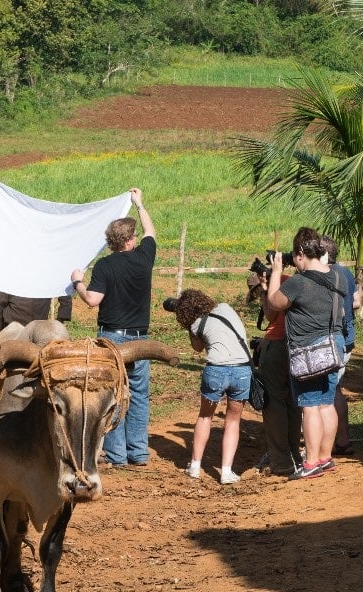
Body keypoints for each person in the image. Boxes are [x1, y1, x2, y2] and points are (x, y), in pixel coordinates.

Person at [70, 187, 156, 467]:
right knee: (140, 394)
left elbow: (93, 300)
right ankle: (139, 453)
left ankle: (117, 455)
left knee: (113, 394)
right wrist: (139, 204)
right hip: (140, 338)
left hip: (112, 339)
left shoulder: (105, 266)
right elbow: (151, 233)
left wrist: (77, 282)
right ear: (131, 240)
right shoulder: (145, 258)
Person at [266, 227, 346, 481]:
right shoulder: (337, 277)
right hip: (333, 346)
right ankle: (325, 457)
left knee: (310, 406)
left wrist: (277, 273)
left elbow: (274, 304)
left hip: (309, 350)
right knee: (326, 402)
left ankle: (310, 462)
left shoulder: (299, 282)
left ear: (300, 253)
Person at [171, 289, 252, 484]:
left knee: (205, 416)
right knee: (233, 421)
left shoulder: (196, 325)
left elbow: (198, 348)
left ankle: (195, 466)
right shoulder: (225, 307)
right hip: (242, 369)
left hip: (216, 370)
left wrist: (189, 326)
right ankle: (226, 471)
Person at [252, 271, 302, 476]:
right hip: (296, 344)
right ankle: (295, 455)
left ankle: (280, 460)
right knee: (293, 400)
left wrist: (265, 292)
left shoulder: (277, 283)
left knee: (274, 403)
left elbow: (272, 315)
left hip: (276, 343)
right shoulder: (294, 281)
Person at [321, 235, 361, 456]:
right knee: (336, 389)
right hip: (347, 340)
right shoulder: (345, 272)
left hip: (330, 340)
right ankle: (342, 440)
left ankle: (324, 444)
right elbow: (356, 301)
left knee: (326, 394)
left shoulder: (325, 274)